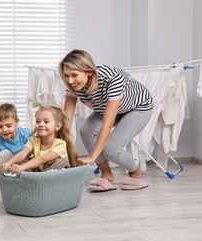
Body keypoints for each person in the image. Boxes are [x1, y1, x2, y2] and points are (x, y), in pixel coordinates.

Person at [58, 49, 153, 191]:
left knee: (111, 148)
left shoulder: (111, 78)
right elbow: (66, 120)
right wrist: (57, 147)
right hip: (107, 108)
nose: (70, 80)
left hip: (138, 108)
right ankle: (106, 174)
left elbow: (107, 125)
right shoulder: (73, 85)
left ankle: (134, 173)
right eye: (66, 76)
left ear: (89, 71)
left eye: (74, 75)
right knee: (86, 131)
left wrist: (92, 156)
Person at [0, 106, 82, 174]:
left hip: (53, 175)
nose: (41, 124)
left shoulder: (60, 144)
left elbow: (42, 159)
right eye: (38, 121)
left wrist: (22, 167)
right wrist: (8, 164)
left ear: (57, 126)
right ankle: (33, 179)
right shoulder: (33, 140)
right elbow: (22, 154)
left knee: (62, 162)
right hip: (38, 172)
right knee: (23, 160)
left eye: (46, 122)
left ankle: (39, 179)